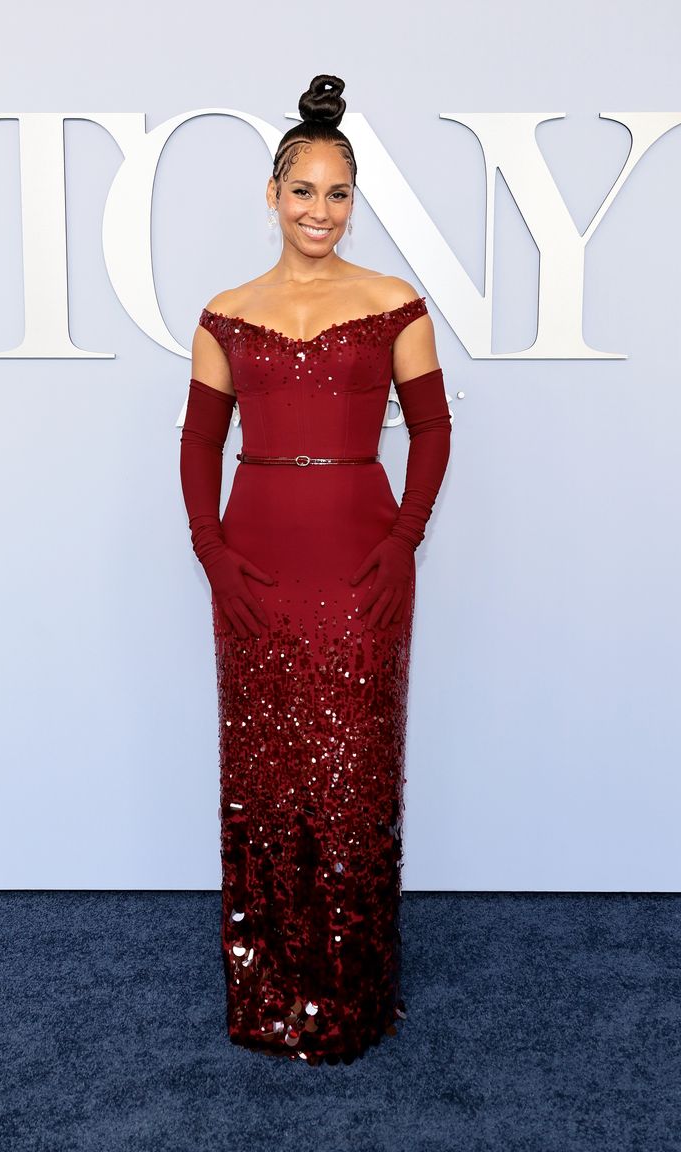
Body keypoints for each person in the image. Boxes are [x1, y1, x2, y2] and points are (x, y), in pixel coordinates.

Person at [179, 73, 451, 1066]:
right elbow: (199, 442)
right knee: (266, 771)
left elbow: (433, 429)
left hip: (360, 562)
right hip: (255, 563)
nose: (320, 211)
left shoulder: (394, 305)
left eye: (338, 193)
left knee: (353, 771)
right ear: (272, 195)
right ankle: (268, 988)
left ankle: (352, 991)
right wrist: (212, 552)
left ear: (354, 200)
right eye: (303, 191)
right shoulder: (226, 313)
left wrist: (403, 539)